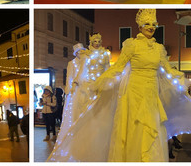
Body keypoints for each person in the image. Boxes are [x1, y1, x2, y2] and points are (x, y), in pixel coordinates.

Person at [48, 9, 191, 162]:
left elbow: (168, 70)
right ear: (140, 26)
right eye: (147, 24)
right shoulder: (131, 45)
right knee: (137, 129)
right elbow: (118, 67)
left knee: (153, 129)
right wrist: (101, 82)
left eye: (153, 24)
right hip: (134, 94)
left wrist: (181, 79)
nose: (151, 27)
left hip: (151, 94)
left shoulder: (159, 49)